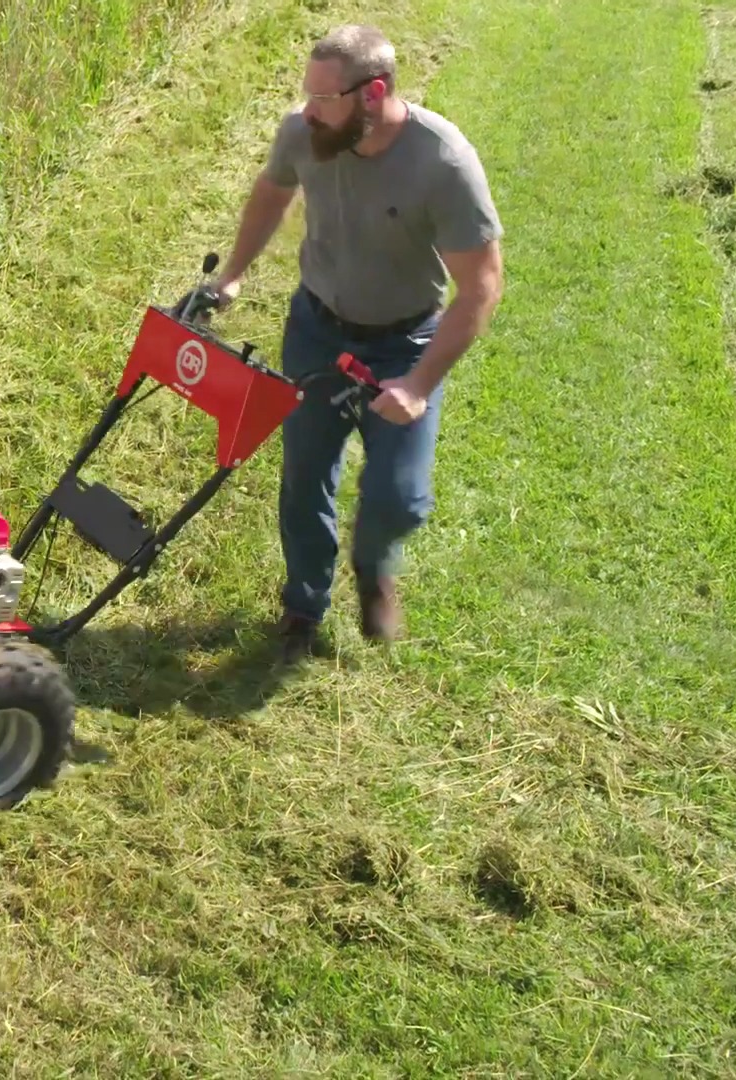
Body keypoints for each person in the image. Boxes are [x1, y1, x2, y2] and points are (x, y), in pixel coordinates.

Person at [202, 24, 504, 661]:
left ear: (374, 93)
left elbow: (481, 287)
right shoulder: (305, 133)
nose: (308, 111)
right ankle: (303, 606)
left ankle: (373, 565)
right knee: (305, 474)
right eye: (307, 94)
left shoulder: (441, 162)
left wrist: (418, 385)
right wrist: (232, 275)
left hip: (403, 344)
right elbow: (272, 193)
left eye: (324, 98)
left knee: (401, 498)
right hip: (317, 330)